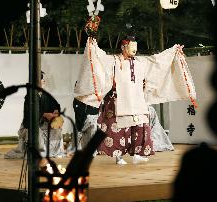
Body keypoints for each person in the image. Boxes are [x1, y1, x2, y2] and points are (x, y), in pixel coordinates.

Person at [74, 16, 196, 165]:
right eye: (132, 47)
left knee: (140, 127)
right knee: (118, 129)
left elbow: (157, 61)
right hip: (119, 100)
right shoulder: (114, 60)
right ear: (123, 47)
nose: (134, 50)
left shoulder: (140, 63)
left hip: (137, 100)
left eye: (135, 47)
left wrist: (173, 51)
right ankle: (119, 156)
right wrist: (92, 40)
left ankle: (137, 153)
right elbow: (99, 57)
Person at [4, 71, 65, 159]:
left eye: (43, 80)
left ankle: (53, 151)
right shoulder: (29, 96)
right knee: (37, 133)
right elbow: (30, 114)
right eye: (42, 80)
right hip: (32, 124)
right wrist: (44, 115)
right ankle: (39, 153)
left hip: (44, 123)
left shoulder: (46, 95)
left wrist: (56, 111)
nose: (44, 82)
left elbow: (55, 106)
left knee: (57, 130)